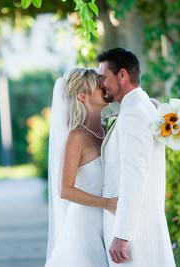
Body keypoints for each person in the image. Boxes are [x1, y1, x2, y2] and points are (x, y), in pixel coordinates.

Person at [98, 48, 175, 266]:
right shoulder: (143, 105)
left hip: (135, 235)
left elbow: (135, 175)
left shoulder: (133, 113)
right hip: (142, 225)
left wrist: (122, 235)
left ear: (122, 74)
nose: (100, 84)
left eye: (103, 77)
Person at [45, 68, 118, 267]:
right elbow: (66, 190)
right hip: (83, 228)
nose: (105, 88)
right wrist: (107, 203)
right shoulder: (76, 137)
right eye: (98, 85)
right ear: (82, 96)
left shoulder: (109, 128)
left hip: (108, 225)